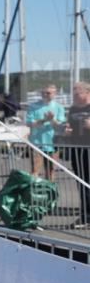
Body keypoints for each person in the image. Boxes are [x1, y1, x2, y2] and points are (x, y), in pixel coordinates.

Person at [26, 84, 66, 181]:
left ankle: (50, 192)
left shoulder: (59, 107)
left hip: (53, 143)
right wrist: (44, 120)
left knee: (51, 170)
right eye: (43, 93)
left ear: (54, 94)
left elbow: (60, 126)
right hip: (36, 143)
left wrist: (52, 120)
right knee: (35, 171)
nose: (45, 95)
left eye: (48, 93)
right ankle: (34, 192)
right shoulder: (33, 106)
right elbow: (29, 123)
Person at [65, 81, 90, 229]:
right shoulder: (73, 109)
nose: (74, 95)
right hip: (77, 149)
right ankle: (85, 216)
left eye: (77, 92)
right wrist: (67, 131)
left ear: (87, 92)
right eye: (73, 92)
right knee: (81, 182)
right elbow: (70, 125)